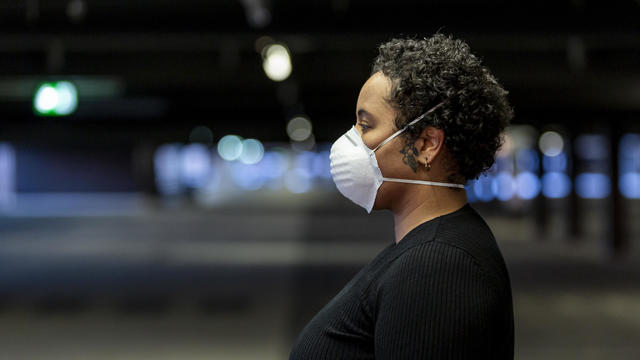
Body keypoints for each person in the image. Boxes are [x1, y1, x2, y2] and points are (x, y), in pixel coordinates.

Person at [289, 34, 514, 359]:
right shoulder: (429, 249)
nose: (352, 140)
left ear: (426, 145)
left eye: (365, 126)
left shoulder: (438, 268)